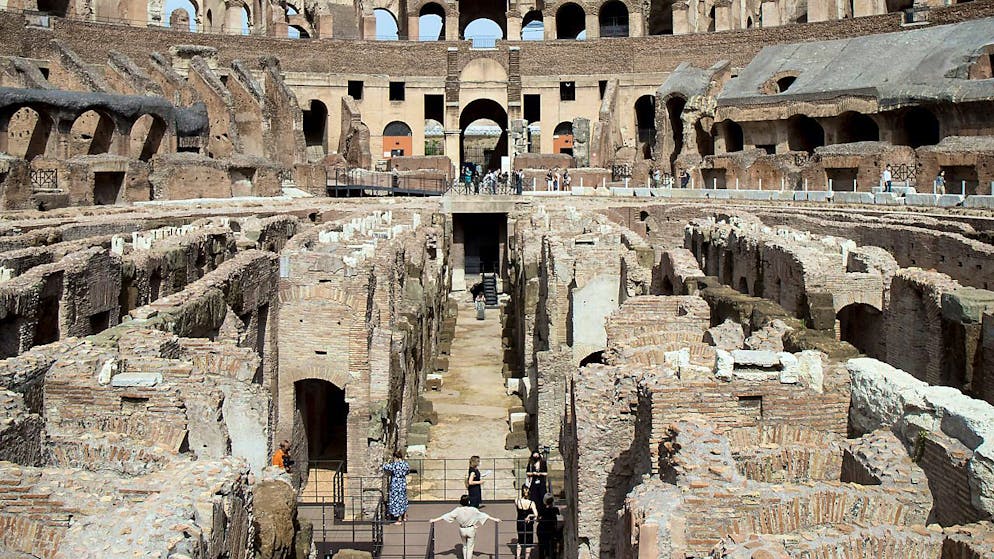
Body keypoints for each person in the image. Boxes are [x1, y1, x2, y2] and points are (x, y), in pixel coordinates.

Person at [430, 494, 501, 559]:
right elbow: (484, 515)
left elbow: (446, 516)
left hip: (462, 529)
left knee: (464, 546)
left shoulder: (457, 510)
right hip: (471, 529)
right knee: (470, 547)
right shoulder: (473, 510)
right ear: (469, 502)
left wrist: (434, 520)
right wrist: (495, 519)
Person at [382, 450, 410, 523]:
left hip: (396, 483)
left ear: (395, 457)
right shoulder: (405, 464)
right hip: (402, 482)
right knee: (403, 498)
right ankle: (405, 516)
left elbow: (385, 467)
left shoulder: (395, 465)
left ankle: (399, 519)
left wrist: (387, 461)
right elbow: (407, 472)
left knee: (397, 500)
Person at [515, 484, 538, 559]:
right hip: (528, 523)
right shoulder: (531, 503)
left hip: (520, 521)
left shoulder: (517, 501)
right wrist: (529, 516)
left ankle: (518, 556)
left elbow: (518, 510)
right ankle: (527, 557)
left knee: (520, 539)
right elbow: (536, 514)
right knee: (529, 540)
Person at [536, 494, 560, 559]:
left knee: (541, 547)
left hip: (542, 529)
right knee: (552, 547)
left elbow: (538, 519)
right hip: (551, 530)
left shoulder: (541, 509)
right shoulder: (555, 510)